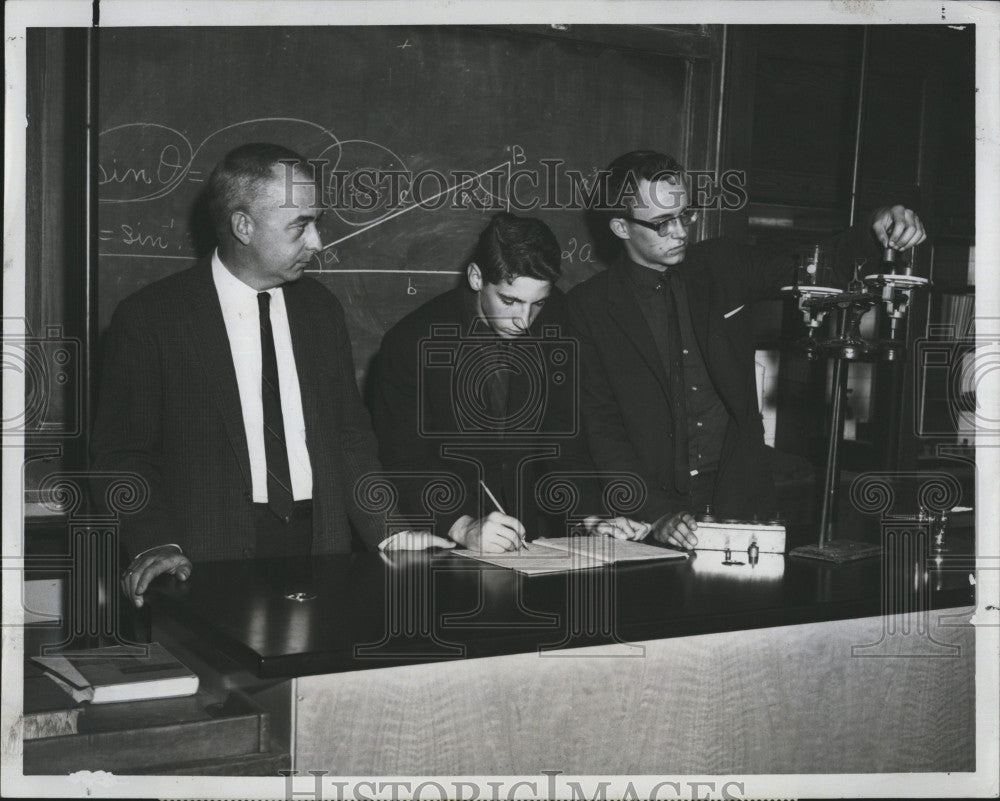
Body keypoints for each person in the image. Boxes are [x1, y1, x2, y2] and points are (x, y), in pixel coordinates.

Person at [91, 143, 443, 608]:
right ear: (243, 226)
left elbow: (349, 439)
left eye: (315, 223)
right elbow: (122, 456)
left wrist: (390, 530)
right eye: (300, 226)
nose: (317, 242)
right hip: (203, 563)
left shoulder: (320, 310)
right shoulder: (153, 318)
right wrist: (156, 543)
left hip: (322, 551)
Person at [565, 150, 926, 550]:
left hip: (741, 503)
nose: (681, 232)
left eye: (685, 214)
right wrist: (655, 514)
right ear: (620, 226)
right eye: (662, 223)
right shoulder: (587, 307)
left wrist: (875, 232)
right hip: (648, 520)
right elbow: (603, 430)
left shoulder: (721, 264)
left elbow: (815, 266)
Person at [369, 212, 648, 553]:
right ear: (476, 277)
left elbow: (565, 437)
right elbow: (404, 462)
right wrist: (464, 526)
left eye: (538, 303)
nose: (524, 321)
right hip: (444, 541)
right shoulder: (410, 343)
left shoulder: (556, 317)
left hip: (533, 540)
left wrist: (588, 516)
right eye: (510, 301)